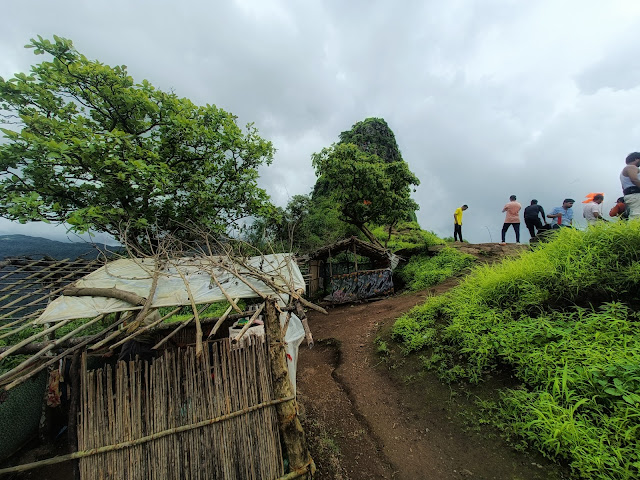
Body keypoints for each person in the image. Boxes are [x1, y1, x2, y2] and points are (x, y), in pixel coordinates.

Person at [620, 152, 640, 219]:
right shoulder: (631, 167)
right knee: (637, 215)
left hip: (630, 194)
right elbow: (634, 179)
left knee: (635, 214)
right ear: (636, 159)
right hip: (635, 194)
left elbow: (623, 187)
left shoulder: (626, 169)